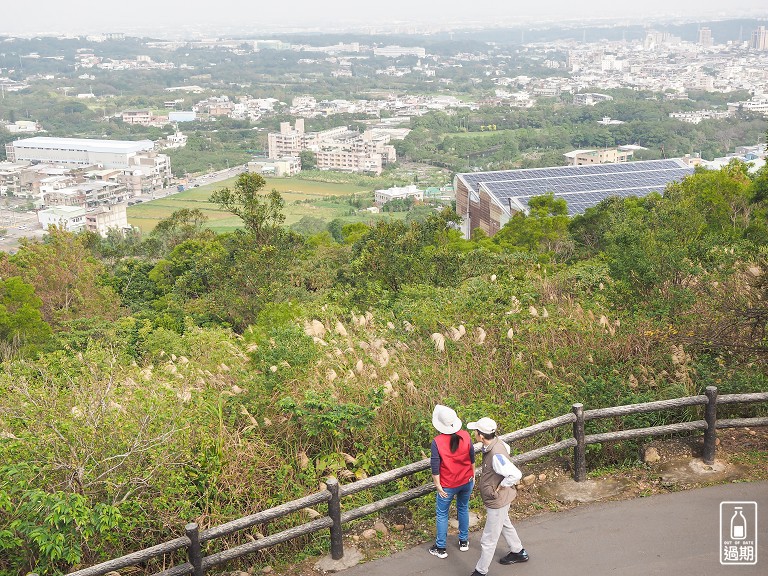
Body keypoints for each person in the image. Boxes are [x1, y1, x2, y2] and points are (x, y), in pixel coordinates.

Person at [466, 416, 528, 576]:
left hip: (498, 500)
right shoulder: (498, 444)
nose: (474, 434)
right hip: (502, 499)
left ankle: (480, 571)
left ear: (481, 436)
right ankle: (518, 551)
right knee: (505, 524)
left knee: (488, 539)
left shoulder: (495, 454)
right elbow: (506, 451)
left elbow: (515, 474)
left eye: (475, 431)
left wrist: (501, 486)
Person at [428, 404, 476, 559]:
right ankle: (463, 541)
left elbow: (435, 467)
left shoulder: (437, 441)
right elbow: (472, 458)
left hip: (448, 484)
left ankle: (441, 547)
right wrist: (473, 476)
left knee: (442, 514)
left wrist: (438, 486)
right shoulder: (466, 436)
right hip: (466, 480)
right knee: (463, 508)